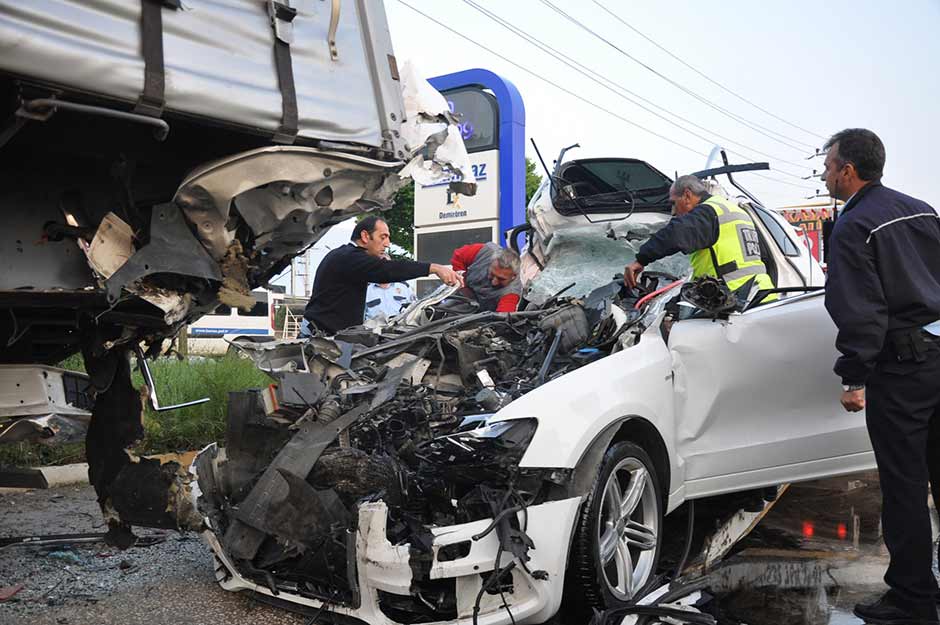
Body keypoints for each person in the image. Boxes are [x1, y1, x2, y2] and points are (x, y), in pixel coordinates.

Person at [822, 128, 940, 625]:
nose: (825, 175)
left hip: (903, 369)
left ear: (849, 171)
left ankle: (912, 599)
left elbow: (860, 311)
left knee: (905, 486)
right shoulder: (922, 209)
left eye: (828, 167)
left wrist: (854, 378)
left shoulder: (853, 227)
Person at [623, 175, 775, 300]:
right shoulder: (735, 211)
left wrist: (641, 259)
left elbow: (675, 234)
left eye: (674, 203)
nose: (673, 211)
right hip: (761, 292)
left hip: (736, 296)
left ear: (687, 195)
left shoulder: (709, 212)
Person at [302, 216, 461, 335]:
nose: (387, 243)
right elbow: (387, 270)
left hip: (332, 336)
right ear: (365, 236)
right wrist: (433, 268)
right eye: (383, 237)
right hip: (320, 338)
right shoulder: (348, 258)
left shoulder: (345, 256)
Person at [450, 242, 521, 312]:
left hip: (482, 315)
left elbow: (503, 316)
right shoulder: (484, 252)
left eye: (501, 279)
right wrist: (462, 283)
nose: (494, 282)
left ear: (513, 276)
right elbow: (459, 256)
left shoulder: (511, 293)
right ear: (491, 263)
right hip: (461, 295)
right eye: (492, 274)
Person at [364, 254, 416, 322]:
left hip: (402, 329)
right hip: (374, 330)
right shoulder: (366, 290)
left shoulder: (404, 287)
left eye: (386, 264)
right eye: (378, 264)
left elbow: (415, 309)